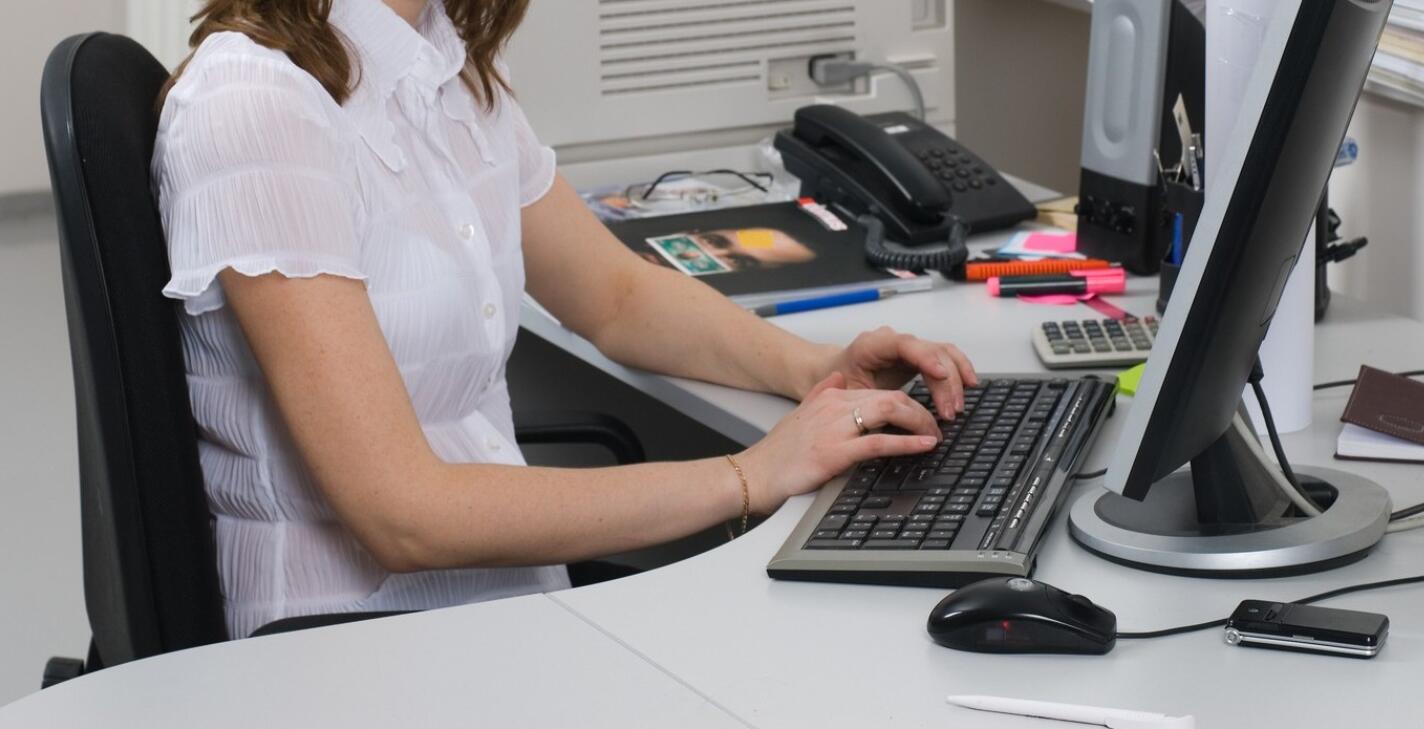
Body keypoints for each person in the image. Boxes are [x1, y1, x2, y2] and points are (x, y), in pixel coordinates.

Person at [154, 0, 979, 638]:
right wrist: (750, 475)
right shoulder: (257, 104)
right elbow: (403, 514)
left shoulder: (445, 67)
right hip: (350, 645)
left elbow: (615, 295)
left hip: (502, 603)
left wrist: (816, 368)